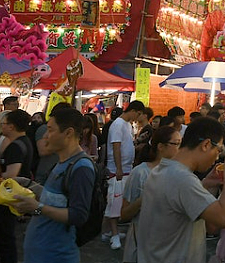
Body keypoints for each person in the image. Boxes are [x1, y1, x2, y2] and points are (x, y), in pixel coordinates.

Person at [136, 117, 225, 263]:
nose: (217, 158)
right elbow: (223, 218)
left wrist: (204, 184)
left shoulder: (163, 169)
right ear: (206, 145)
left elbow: (179, 201)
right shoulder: (183, 179)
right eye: (218, 150)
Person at [14, 108, 96, 263]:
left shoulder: (82, 168)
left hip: (56, 256)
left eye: (50, 130)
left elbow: (78, 215)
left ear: (68, 133)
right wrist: (28, 184)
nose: (45, 136)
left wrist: (36, 207)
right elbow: (56, 198)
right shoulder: (61, 162)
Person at [119, 126, 182, 263]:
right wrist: (144, 198)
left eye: (181, 143)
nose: (180, 148)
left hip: (169, 243)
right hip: (143, 240)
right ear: (160, 146)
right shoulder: (140, 173)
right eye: (176, 143)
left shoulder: (180, 173)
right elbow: (124, 214)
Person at [103, 100, 145, 250]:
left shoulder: (127, 125)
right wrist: (119, 168)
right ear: (133, 110)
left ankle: (108, 231)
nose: (138, 117)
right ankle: (113, 234)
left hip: (126, 168)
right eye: (138, 114)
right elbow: (116, 147)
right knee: (115, 201)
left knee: (118, 200)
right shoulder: (118, 124)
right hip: (117, 170)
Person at [0, 109, 33, 263]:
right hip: (14, 197)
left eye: (4, 124)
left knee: (6, 237)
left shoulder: (15, 147)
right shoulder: (24, 142)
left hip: (9, 197)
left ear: (12, 126)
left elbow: (11, 174)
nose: (2, 126)